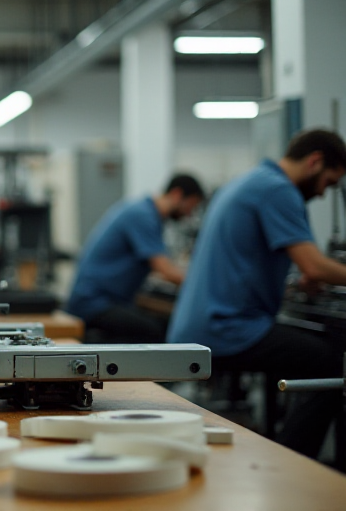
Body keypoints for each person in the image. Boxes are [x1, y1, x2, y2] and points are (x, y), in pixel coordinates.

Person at [167, 129, 346, 458]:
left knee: (314, 354)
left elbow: (256, 264)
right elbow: (315, 266)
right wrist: (314, 274)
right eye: (329, 182)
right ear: (315, 161)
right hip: (225, 330)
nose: (323, 194)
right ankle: (295, 464)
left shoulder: (250, 181)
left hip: (202, 326)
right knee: (330, 366)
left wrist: (296, 283)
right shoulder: (279, 190)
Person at [66, 174, 204, 343]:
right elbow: (165, 269)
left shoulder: (146, 213)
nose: (189, 214)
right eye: (191, 206)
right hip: (93, 303)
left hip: (107, 301)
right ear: (176, 194)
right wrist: (204, 284)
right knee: (155, 331)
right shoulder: (143, 215)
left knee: (163, 323)